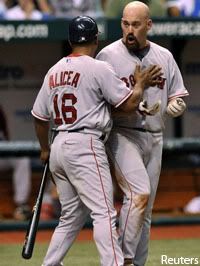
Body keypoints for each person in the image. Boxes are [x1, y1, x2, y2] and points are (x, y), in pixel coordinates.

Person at [31, 15, 162, 266]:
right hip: (85, 143)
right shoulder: (98, 67)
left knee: (71, 215)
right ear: (96, 39)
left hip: (59, 143)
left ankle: (50, 263)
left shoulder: (54, 70)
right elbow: (129, 104)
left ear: (70, 40)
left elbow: (39, 118)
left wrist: (45, 149)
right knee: (104, 212)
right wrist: (140, 84)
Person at [96, 1, 189, 265]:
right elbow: (101, 104)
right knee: (138, 195)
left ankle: (137, 262)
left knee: (145, 210)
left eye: (136, 24)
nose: (129, 30)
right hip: (123, 134)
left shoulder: (164, 56)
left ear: (149, 25)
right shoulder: (108, 56)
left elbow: (179, 97)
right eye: (125, 23)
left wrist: (169, 108)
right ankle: (123, 259)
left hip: (155, 137)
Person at [0, 105, 31, 220]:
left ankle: (21, 204)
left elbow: (6, 137)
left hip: (3, 157)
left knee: (22, 159)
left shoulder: (1, 116)